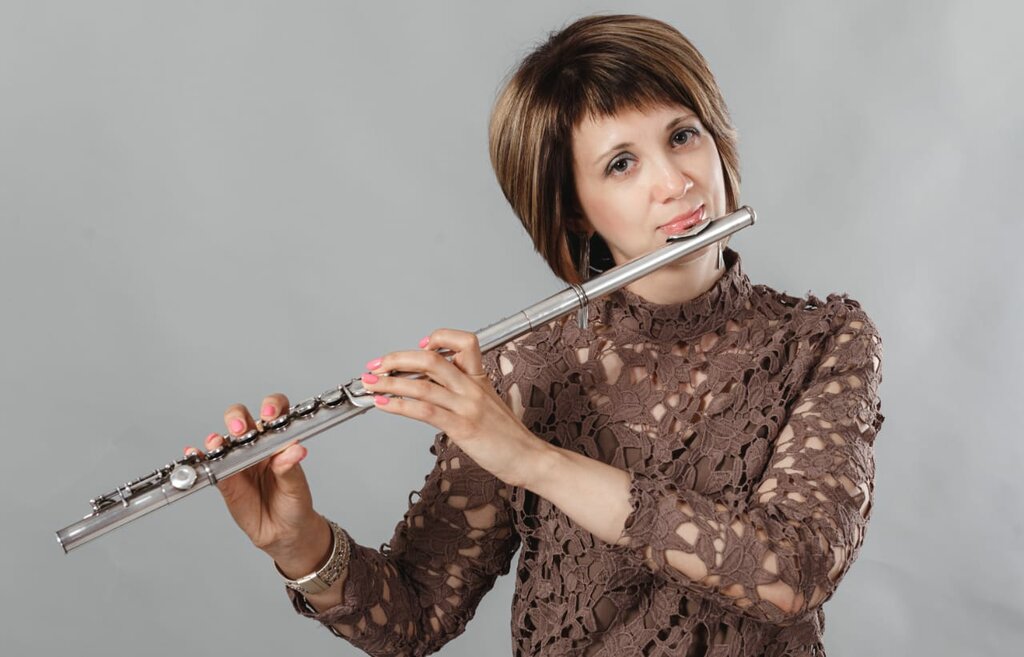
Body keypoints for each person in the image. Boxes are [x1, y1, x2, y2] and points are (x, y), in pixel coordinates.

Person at [188, 14, 885, 656]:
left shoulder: (822, 341)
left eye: (682, 135)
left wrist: (531, 460)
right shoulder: (524, 372)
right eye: (621, 164)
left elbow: (792, 573)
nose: (675, 182)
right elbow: (415, 616)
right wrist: (302, 547)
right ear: (575, 211)